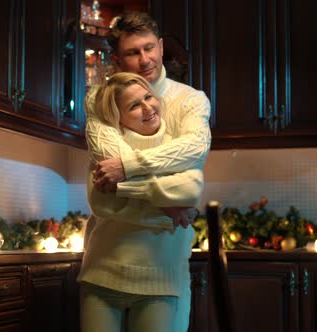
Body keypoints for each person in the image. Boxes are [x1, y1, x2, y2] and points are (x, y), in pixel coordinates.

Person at [83, 11, 212, 332]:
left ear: (161, 46)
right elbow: (104, 188)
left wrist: (129, 169)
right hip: (103, 264)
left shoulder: (190, 100)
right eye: (132, 52)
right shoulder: (99, 100)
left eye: (149, 48)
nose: (144, 59)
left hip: (163, 269)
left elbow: (193, 157)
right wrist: (166, 202)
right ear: (116, 59)